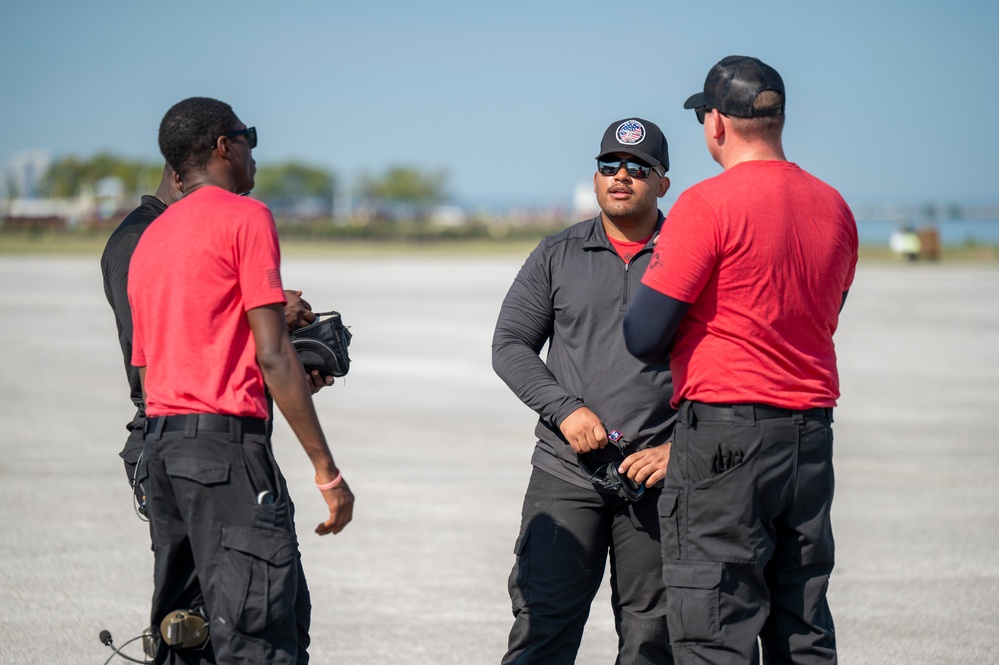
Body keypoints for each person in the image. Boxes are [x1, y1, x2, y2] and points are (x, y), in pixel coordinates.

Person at [623, 56, 858, 664]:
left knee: (714, 623)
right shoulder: (835, 208)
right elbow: (827, 314)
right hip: (809, 434)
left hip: (728, 438)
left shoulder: (707, 205)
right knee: (802, 621)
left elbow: (644, 334)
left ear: (717, 124)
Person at [128, 97, 354, 664]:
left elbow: (159, 363)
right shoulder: (245, 217)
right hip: (227, 454)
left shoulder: (151, 238)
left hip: (164, 452)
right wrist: (327, 474)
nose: (254, 149)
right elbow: (274, 356)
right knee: (260, 634)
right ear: (223, 146)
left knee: (188, 636)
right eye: (248, 135)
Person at [492, 118, 677, 664]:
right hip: (566, 471)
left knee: (652, 640)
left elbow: (723, 364)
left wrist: (679, 449)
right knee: (541, 628)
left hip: (657, 480)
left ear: (662, 182)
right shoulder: (558, 253)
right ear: (595, 177)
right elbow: (510, 346)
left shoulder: (690, 255)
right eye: (609, 165)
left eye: (639, 168)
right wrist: (565, 409)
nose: (622, 176)